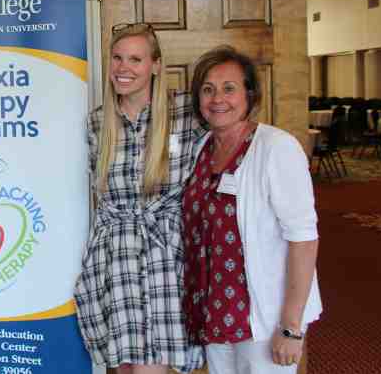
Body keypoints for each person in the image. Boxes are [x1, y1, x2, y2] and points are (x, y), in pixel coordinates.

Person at [182, 46, 322, 373]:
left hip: (265, 315)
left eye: (229, 88)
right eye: (208, 89)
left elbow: (303, 239)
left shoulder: (277, 148)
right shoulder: (201, 149)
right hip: (213, 309)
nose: (218, 99)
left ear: (250, 95)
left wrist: (290, 326)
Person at [74, 23, 203, 374]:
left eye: (135, 59)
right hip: (113, 256)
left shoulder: (186, 114)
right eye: (117, 58)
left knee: (151, 369)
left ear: (156, 65)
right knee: (123, 369)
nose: (123, 68)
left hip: (164, 252)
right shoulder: (98, 122)